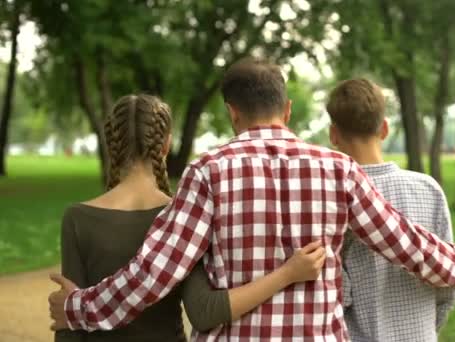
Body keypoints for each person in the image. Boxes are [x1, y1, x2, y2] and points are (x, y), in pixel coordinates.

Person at [49, 59, 455, 341]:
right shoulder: (338, 170)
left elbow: (152, 273)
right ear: (287, 110)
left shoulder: (208, 172)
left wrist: (78, 307)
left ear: (233, 113)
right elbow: (403, 242)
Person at [53, 94, 326, 342]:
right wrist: (287, 274)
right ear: (166, 144)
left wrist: (73, 311)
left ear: (110, 143)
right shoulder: (187, 215)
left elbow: (68, 327)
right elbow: (204, 311)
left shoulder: (78, 218)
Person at [327, 78, 455, 342]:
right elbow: (447, 286)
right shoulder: (428, 189)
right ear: (384, 128)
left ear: (333, 135)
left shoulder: (331, 198)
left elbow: (337, 292)